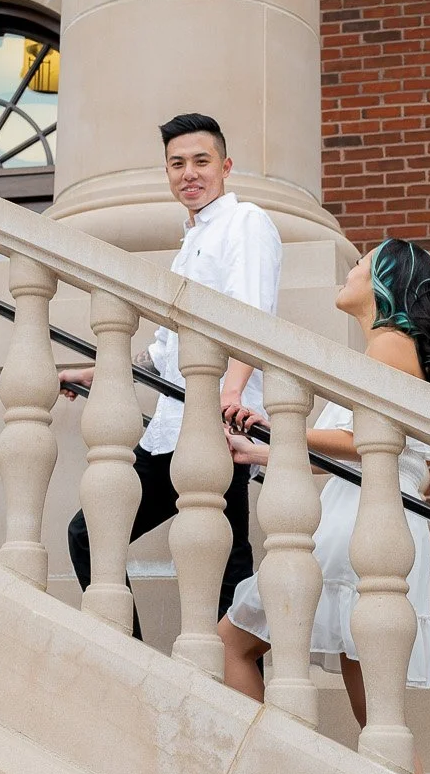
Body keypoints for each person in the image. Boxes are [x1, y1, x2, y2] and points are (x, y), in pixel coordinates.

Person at [216, 238, 430, 728]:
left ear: (385, 282)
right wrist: (262, 448)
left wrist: (281, 428)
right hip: (378, 520)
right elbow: (363, 454)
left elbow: (366, 438)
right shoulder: (390, 348)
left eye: (362, 263)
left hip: (357, 525)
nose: (350, 269)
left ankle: (275, 763)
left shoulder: (389, 344)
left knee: (232, 643)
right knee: (380, 722)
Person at [61, 113, 283, 631]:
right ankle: (136, 654)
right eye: (177, 163)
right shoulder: (191, 242)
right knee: (97, 533)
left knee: (224, 558)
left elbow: (253, 317)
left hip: (214, 422)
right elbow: (164, 353)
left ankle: (234, 686)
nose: (190, 173)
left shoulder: (245, 222)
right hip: (171, 429)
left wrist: (230, 394)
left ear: (225, 166)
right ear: (167, 172)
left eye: (201, 161)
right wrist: (95, 375)